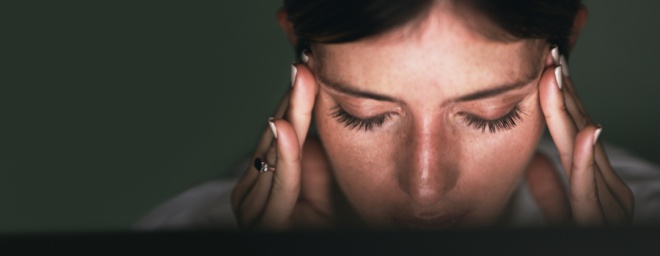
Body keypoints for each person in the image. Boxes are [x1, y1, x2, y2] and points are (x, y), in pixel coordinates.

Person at [135, 0, 660, 231]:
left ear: (560, 57)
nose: (425, 185)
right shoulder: (187, 233)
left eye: (489, 115)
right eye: (363, 115)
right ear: (302, 55)